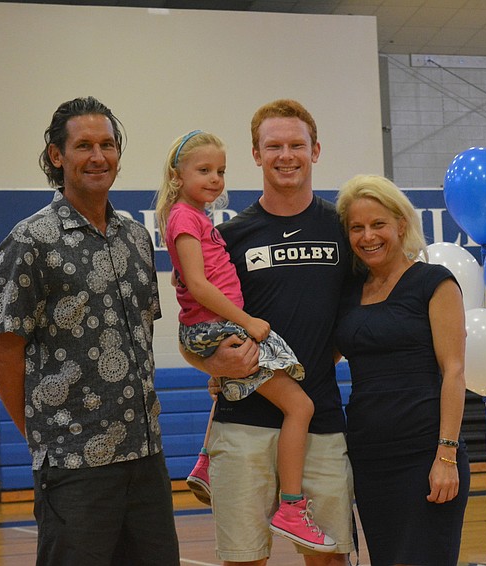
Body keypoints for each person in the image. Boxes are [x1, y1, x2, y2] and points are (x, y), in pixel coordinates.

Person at [0, 96, 180, 566]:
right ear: (58, 156)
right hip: (74, 466)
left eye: (108, 145)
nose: (99, 157)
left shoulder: (136, 238)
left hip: (146, 458)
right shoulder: (30, 241)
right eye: (84, 145)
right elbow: (3, 353)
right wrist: (42, 438)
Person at [181, 99, 355, 566]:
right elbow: (192, 328)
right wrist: (212, 363)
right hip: (242, 424)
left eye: (296, 144)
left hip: (319, 418)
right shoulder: (229, 236)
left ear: (315, 150)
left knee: (328, 558)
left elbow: (356, 322)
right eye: (273, 146)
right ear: (256, 155)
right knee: (243, 560)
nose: (286, 155)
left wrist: (323, 356)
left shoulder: (342, 229)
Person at [334, 174, 470, 565]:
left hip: (426, 455)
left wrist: (445, 455)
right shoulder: (350, 293)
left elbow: (455, 372)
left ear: (401, 225)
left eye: (378, 224)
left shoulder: (434, 282)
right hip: (370, 458)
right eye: (356, 227)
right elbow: (320, 358)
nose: (368, 236)